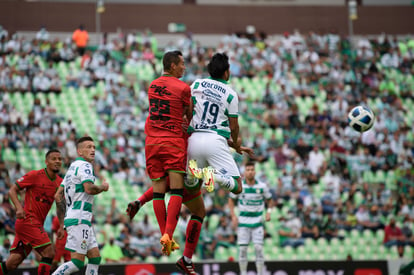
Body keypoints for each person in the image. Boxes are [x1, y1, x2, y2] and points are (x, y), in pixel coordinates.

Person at [143, 50, 192, 256]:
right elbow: (189, 116)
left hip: (152, 142)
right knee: (177, 191)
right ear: (172, 66)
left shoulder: (152, 85)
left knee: (158, 191)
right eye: (181, 64)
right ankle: (169, 235)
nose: (184, 67)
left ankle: (164, 234)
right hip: (172, 141)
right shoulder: (183, 88)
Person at [187, 52, 244, 195]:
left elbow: (186, 109)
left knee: (192, 189)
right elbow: (234, 126)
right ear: (226, 72)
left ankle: (192, 175)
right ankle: (215, 176)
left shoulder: (196, 84)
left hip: (193, 139)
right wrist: (236, 143)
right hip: (215, 141)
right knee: (237, 186)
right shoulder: (230, 94)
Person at [52, 136, 109, 275]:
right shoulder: (85, 165)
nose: (93, 150)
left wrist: (62, 221)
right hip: (79, 219)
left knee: (95, 257)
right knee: (77, 262)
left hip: (79, 218)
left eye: (94, 147)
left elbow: (58, 195)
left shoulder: (72, 168)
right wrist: (103, 187)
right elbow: (89, 188)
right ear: (79, 151)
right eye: (88, 147)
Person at [0, 149, 63, 275]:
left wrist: (61, 225)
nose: (57, 161)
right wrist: (18, 208)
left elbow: (60, 205)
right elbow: (12, 190)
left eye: (59, 159)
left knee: (12, 263)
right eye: (54, 159)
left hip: (34, 225)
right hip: (28, 221)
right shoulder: (35, 175)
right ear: (46, 162)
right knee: (49, 253)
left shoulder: (60, 183)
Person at [228, 161, 274, 275]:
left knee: (258, 248)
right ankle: (243, 273)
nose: (250, 172)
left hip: (258, 222)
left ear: (255, 171)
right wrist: (233, 215)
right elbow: (230, 200)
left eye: (252, 170)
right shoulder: (240, 186)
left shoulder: (262, 186)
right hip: (243, 223)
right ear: (244, 172)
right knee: (243, 249)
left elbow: (270, 200)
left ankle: (260, 273)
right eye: (248, 170)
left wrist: (269, 212)